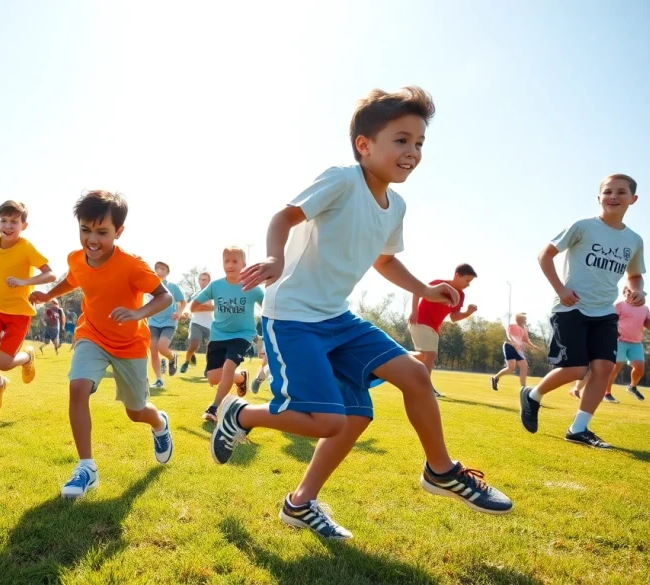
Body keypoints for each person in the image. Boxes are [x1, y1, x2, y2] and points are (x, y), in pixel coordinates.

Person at [212, 87, 512, 540]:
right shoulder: (342, 179)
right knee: (330, 422)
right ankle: (240, 413)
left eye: (419, 144)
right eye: (401, 140)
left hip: (337, 318)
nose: (412, 152)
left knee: (407, 380)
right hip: (293, 318)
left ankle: (434, 472)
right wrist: (274, 259)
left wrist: (426, 288)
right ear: (364, 145)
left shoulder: (397, 206)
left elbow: (385, 260)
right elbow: (283, 217)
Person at [30, 190, 173, 499]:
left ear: (118, 232)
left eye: (102, 232)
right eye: (85, 230)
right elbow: (73, 279)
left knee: (136, 412)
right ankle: (86, 468)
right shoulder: (76, 257)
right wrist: (47, 294)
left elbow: (165, 296)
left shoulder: (133, 265)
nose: (92, 239)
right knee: (78, 387)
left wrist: (137, 312)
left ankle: (159, 423)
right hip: (91, 334)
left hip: (129, 343)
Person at [519, 174, 646, 449]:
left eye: (621, 192)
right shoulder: (583, 227)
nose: (613, 196)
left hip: (605, 312)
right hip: (571, 308)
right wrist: (561, 290)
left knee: (603, 368)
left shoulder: (634, 240)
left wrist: (639, 291)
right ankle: (533, 395)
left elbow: (634, 276)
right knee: (576, 368)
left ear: (632, 199)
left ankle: (578, 429)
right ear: (599, 197)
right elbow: (545, 255)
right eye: (608, 191)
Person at [0, 201, 54, 414]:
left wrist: (25, 282)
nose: (8, 225)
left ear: (23, 225)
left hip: (19, 313)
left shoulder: (26, 247)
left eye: (14, 221)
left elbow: (50, 274)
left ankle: (28, 357)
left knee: (6, 363)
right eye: (4, 220)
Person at [192, 247, 263, 422]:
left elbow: (269, 308)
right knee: (214, 378)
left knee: (228, 367)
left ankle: (214, 408)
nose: (230, 265)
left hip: (242, 335)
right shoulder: (215, 286)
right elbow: (194, 305)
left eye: (235, 261)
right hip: (219, 336)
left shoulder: (252, 287)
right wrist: (197, 309)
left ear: (243, 265)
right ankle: (241, 377)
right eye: (226, 261)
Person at [570, 286, 650, 404]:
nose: (632, 295)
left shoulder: (644, 308)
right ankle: (607, 393)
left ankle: (632, 387)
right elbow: (610, 319)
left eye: (635, 293)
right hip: (619, 340)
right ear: (624, 293)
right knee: (614, 368)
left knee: (640, 368)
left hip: (636, 343)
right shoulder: (620, 305)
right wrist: (612, 331)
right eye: (629, 293)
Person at [408, 264, 478, 398]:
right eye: (467, 281)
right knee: (430, 355)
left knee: (424, 357)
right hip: (420, 321)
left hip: (433, 328)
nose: (468, 285)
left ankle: (396, 357)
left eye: (470, 282)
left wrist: (468, 313)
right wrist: (414, 311)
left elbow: (454, 317)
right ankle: (425, 388)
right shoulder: (440, 284)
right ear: (457, 275)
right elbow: (417, 290)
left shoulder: (461, 296)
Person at [147, 261, 185, 389]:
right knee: (153, 349)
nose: (159, 271)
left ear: (167, 272)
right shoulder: (149, 287)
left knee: (162, 347)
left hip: (169, 321)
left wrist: (179, 312)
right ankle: (159, 380)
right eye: (157, 268)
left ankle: (172, 357)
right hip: (153, 321)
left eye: (163, 269)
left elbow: (183, 302)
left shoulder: (173, 287)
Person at [490, 313, 537, 392]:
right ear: (518, 319)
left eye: (524, 320)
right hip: (509, 347)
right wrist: (511, 340)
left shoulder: (524, 329)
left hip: (518, 349)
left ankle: (523, 387)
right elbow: (509, 334)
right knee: (511, 368)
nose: (524, 321)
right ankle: (495, 378)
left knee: (524, 366)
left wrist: (532, 345)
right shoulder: (512, 326)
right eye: (523, 319)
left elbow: (526, 339)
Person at [180, 271, 213, 374]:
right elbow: (190, 308)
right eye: (200, 279)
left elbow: (215, 307)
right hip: (196, 323)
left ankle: (208, 367)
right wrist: (203, 307)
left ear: (209, 281)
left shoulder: (213, 294)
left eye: (204, 280)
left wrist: (201, 307)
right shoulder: (195, 295)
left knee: (210, 347)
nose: (202, 282)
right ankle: (186, 362)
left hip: (210, 324)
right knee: (194, 346)